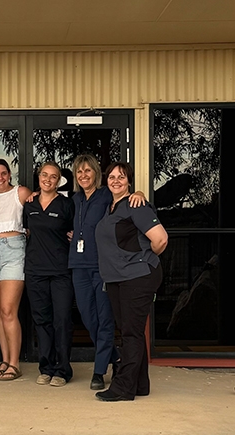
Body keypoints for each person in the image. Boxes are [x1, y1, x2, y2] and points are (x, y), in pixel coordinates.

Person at [69, 154, 146, 391]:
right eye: (79, 172)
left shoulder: (105, 196)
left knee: (104, 320)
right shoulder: (74, 200)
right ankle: (115, 357)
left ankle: (99, 371)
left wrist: (139, 194)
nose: (83, 176)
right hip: (78, 266)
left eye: (88, 171)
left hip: (103, 267)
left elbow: (125, 201)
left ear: (96, 174)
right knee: (87, 317)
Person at [94, 162, 168, 402]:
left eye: (122, 177)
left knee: (130, 333)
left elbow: (161, 239)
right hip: (117, 278)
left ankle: (123, 388)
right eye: (112, 176)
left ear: (129, 181)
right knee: (131, 331)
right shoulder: (111, 207)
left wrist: (144, 258)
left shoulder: (137, 205)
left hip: (138, 276)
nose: (116, 180)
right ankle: (140, 385)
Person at [23, 161, 75, 387]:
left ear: (58, 181)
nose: (48, 179)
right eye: (44, 175)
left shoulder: (66, 204)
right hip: (35, 271)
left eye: (53, 176)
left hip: (61, 271)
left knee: (61, 320)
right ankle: (46, 368)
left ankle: (63, 370)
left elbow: (75, 231)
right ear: (38, 176)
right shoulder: (29, 204)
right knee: (42, 320)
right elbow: (26, 231)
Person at [0, 158, 31, 382]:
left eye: (3, 173)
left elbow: (36, 215)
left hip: (13, 250)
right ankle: (4, 359)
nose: (0, 177)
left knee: (10, 310)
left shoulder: (20, 193)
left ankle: (15, 363)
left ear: (9, 174)